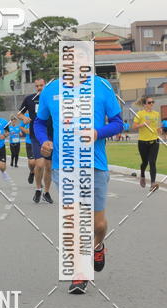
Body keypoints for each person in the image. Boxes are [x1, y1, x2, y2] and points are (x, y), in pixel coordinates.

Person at [35, 72, 123, 295]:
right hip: (63, 166)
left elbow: (118, 123)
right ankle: (80, 274)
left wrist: (97, 132)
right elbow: (39, 122)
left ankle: (98, 246)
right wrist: (44, 140)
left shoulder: (101, 85)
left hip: (95, 165)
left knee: (98, 225)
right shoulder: (51, 89)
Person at [19, 78, 53, 204]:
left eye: (41, 85)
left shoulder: (52, 98)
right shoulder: (30, 99)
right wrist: (24, 118)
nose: (39, 88)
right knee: (39, 164)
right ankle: (38, 188)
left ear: (45, 86)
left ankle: (47, 192)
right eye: (37, 86)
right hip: (36, 135)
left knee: (49, 166)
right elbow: (20, 114)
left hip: (51, 135)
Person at [132, 96, 161, 191]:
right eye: (149, 102)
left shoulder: (156, 114)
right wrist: (143, 125)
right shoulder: (139, 114)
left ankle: (153, 183)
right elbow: (134, 127)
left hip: (154, 141)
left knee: (152, 162)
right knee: (145, 162)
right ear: (145, 104)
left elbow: (156, 127)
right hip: (143, 142)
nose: (151, 104)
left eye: (153, 102)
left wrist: (159, 130)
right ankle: (142, 175)